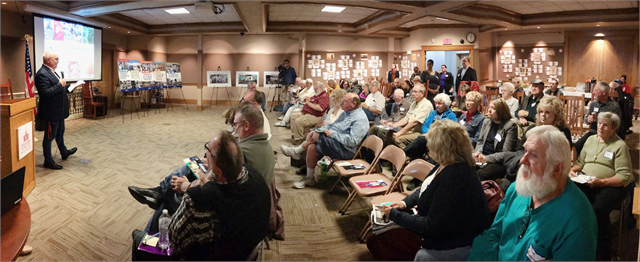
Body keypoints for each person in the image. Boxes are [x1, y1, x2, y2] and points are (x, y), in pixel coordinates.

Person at [128, 103, 276, 233]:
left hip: (229, 211)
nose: (234, 129)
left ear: (246, 125)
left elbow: (217, 187)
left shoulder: (240, 152)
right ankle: (159, 191)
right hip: (244, 203)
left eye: (235, 125)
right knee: (194, 164)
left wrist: (189, 184)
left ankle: (148, 237)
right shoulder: (267, 148)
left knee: (169, 199)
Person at [131, 131, 271, 261]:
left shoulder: (197, 201)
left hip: (210, 255)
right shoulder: (255, 177)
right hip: (244, 251)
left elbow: (172, 242)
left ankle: (147, 227)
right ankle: (159, 195)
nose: (205, 153)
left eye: (208, 150)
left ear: (218, 172)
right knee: (168, 199)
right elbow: (218, 187)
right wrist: (209, 172)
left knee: (139, 238)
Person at [468, 125, 598, 261]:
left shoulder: (577, 222)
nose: (522, 160)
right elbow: (494, 234)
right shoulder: (518, 189)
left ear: (557, 168)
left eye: (534, 155)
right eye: (525, 151)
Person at [378, 120, 491, 261]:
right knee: (381, 233)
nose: (427, 146)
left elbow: (432, 226)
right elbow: (426, 188)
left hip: (450, 243)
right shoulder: (446, 164)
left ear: (440, 147)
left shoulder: (455, 177)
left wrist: (395, 215)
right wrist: (404, 203)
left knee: (380, 241)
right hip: (434, 225)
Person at [570, 112, 634, 261]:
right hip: (587, 180)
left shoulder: (619, 145)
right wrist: (573, 170)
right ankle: (577, 241)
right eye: (599, 123)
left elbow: (624, 176)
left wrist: (601, 182)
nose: (600, 127)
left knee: (597, 210)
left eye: (605, 125)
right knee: (570, 201)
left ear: (614, 128)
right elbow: (581, 162)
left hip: (612, 184)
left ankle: (603, 252)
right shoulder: (591, 140)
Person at [281, 93, 369, 189]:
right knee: (312, 147)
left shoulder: (360, 119)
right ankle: (309, 179)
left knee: (316, 136)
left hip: (347, 149)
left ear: (353, 103)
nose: (341, 103)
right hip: (337, 142)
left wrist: (331, 134)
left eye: (344, 101)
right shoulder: (346, 112)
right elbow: (332, 125)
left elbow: (353, 141)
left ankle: (296, 151)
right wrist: (318, 130)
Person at [499, 96, 573, 188]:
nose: (543, 115)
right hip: (527, 165)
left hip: (548, 170)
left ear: (556, 115)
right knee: (506, 185)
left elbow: (565, 155)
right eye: (541, 112)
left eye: (547, 112)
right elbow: (519, 149)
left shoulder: (562, 132)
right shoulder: (532, 129)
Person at [35, 50, 77, 169]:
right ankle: (48, 161)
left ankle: (64, 152)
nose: (58, 61)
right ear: (48, 60)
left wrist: (71, 87)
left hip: (59, 111)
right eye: (56, 59)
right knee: (49, 137)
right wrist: (60, 85)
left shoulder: (52, 72)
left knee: (59, 133)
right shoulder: (41, 74)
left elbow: (59, 88)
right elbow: (45, 93)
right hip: (51, 113)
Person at [373, 85, 433, 149]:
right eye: (412, 91)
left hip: (418, 132)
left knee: (397, 139)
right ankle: (389, 153)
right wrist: (393, 125)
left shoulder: (426, 105)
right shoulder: (414, 103)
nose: (412, 94)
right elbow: (406, 119)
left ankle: (407, 157)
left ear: (422, 93)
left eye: (415, 92)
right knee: (388, 133)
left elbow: (415, 122)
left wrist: (400, 133)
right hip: (409, 130)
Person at [473, 99, 518, 181]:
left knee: (479, 174)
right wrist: (477, 154)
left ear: (501, 111)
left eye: (493, 108)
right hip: (482, 157)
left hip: (497, 162)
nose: (489, 110)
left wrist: (486, 158)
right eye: (489, 107)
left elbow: (506, 153)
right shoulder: (487, 122)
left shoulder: (510, 126)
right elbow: (480, 141)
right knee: (464, 168)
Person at [575, 81, 622, 155]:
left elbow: (617, 126)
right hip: (593, 133)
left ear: (603, 92)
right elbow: (586, 119)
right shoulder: (594, 104)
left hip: (607, 135)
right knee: (579, 145)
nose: (593, 93)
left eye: (596, 90)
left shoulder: (613, 106)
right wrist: (588, 119)